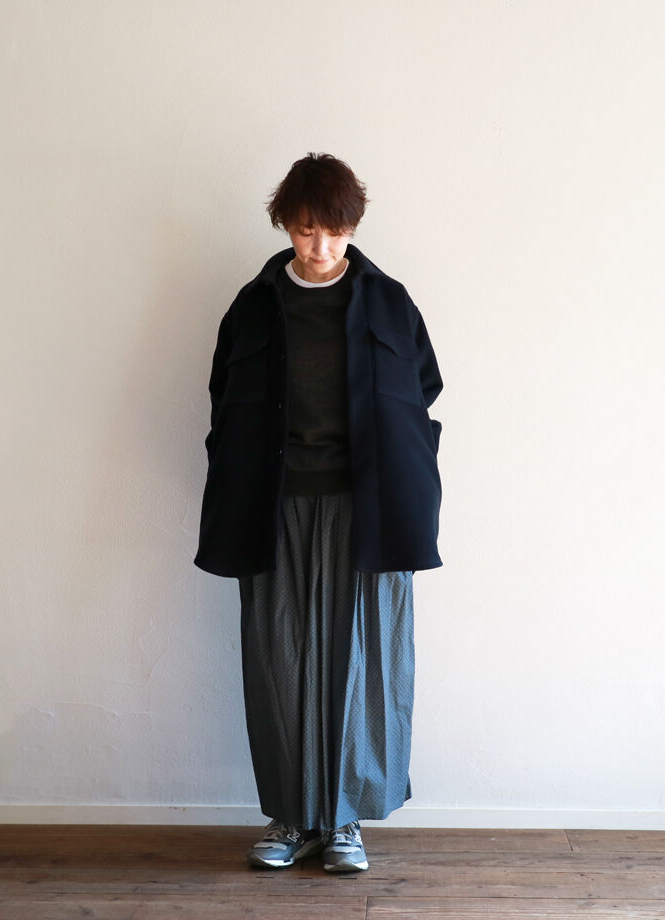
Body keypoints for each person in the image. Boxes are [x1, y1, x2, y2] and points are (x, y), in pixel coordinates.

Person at [194, 152, 443, 873]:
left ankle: (344, 822)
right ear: (285, 226)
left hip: (371, 510)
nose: (321, 246)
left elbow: (424, 387)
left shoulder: (389, 302)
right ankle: (290, 817)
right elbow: (222, 394)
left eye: (334, 231)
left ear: (352, 227)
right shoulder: (253, 304)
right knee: (281, 659)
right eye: (306, 231)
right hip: (274, 506)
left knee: (361, 660)